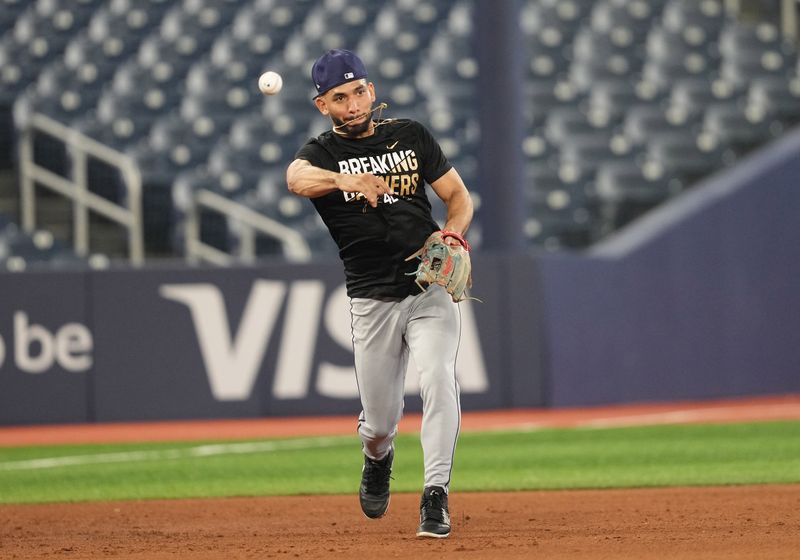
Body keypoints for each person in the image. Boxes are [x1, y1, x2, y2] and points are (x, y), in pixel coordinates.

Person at [285, 49, 474, 539]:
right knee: (380, 422)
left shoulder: (409, 135)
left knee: (438, 377)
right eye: (340, 97)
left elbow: (458, 197)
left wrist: (451, 235)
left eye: (360, 91)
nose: (353, 104)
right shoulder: (321, 154)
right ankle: (377, 457)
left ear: (372, 90)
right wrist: (341, 178)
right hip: (371, 299)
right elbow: (295, 178)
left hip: (427, 287)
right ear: (322, 104)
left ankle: (435, 495)